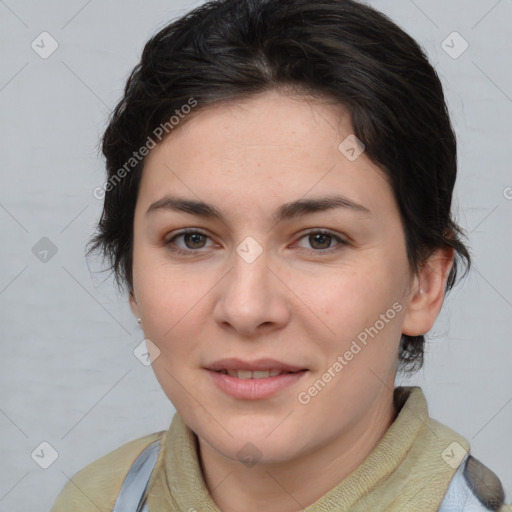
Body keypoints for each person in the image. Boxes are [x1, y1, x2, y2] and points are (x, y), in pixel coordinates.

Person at [50, 0, 511, 510]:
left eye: (320, 239)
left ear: (424, 282)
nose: (247, 309)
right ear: (133, 277)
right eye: (192, 239)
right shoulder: (92, 498)